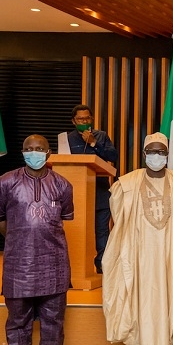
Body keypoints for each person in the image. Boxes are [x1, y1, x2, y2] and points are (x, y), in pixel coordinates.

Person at [102, 132, 173, 345]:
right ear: (144, 153)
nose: (157, 156)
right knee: (139, 300)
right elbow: (118, 225)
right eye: (152, 151)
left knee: (168, 301)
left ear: (167, 155)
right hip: (138, 255)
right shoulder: (126, 184)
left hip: (170, 255)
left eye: (161, 152)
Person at [0, 135, 74, 345]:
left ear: (48, 152)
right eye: (29, 149)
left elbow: (63, 218)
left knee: (53, 324)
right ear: (23, 152)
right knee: (17, 323)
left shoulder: (63, 185)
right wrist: (17, 236)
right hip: (19, 267)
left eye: (39, 148)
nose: (34, 152)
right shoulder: (5, 182)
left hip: (54, 267)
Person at [57, 104, 118, 273]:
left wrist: (93, 143)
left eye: (87, 118)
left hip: (99, 191)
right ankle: (73, 266)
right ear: (73, 121)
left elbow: (113, 156)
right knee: (75, 230)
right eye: (80, 119)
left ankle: (102, 264)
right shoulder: (67, 139)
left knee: (102, 230)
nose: (84, 121)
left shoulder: (101, 136)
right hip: (75, 195)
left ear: (91, 119)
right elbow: (62, 164)